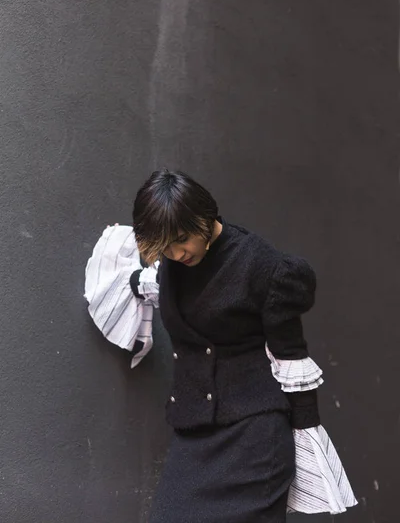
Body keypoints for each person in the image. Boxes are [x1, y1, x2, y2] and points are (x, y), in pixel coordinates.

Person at [85, 169, 357, 522]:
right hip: (194, 437)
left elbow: (292, 357)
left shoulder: (261, 266)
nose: (176, 253)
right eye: (164, 246)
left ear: (204, 217)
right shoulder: (171, 264)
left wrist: (306, 440)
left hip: (254, 440)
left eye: (182, 239)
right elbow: (150, 284)